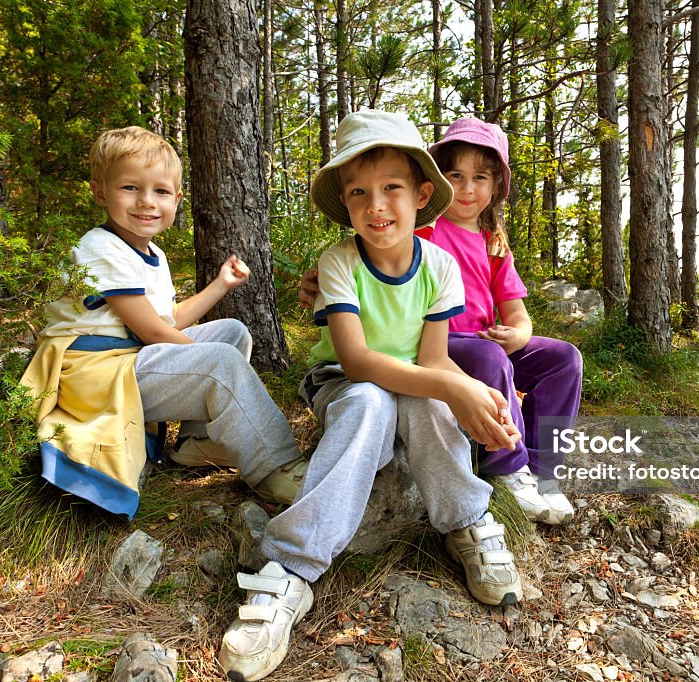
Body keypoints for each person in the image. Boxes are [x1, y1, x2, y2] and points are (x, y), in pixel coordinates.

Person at [219, 110, 525, 681]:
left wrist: (452, 388)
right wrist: (460, 385)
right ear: (345, 201)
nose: (376, 205)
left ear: (421, 194)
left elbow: (431, 363)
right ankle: (290, 566)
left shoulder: (439, 266)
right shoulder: (339, 262)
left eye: (392, 189)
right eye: (359, 192)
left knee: (429, 402)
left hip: (414, 378)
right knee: (369, 401)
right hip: (342, 378)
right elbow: (357, 360)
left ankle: (465, 519)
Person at [300, 117, 583, 525]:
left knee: (564, 358)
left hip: (485, 341)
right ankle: (508, 463)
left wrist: (518, 334)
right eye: (457, 176)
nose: (468, 189)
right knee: (487, 357)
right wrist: (322, 283)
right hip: (447, 342)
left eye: (480, 178)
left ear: (496, 187)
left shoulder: (494, 244)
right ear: (433, 186)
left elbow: (517, 311)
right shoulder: (425, 232)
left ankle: (543, 467)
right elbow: (379, 262)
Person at [21, 126, 307, 519]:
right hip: (99, 376)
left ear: (176, 198)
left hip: (129, 359)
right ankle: (276, 468)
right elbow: (154, 333)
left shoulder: (152, 252)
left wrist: (221, 285)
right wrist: (218, 365)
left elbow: (167, 320)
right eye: (130, 188)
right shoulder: (101, 248)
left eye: (160, 191)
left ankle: (196, 442)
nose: (146, 202)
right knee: (221, 362)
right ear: (101, 192)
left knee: (231, 332)